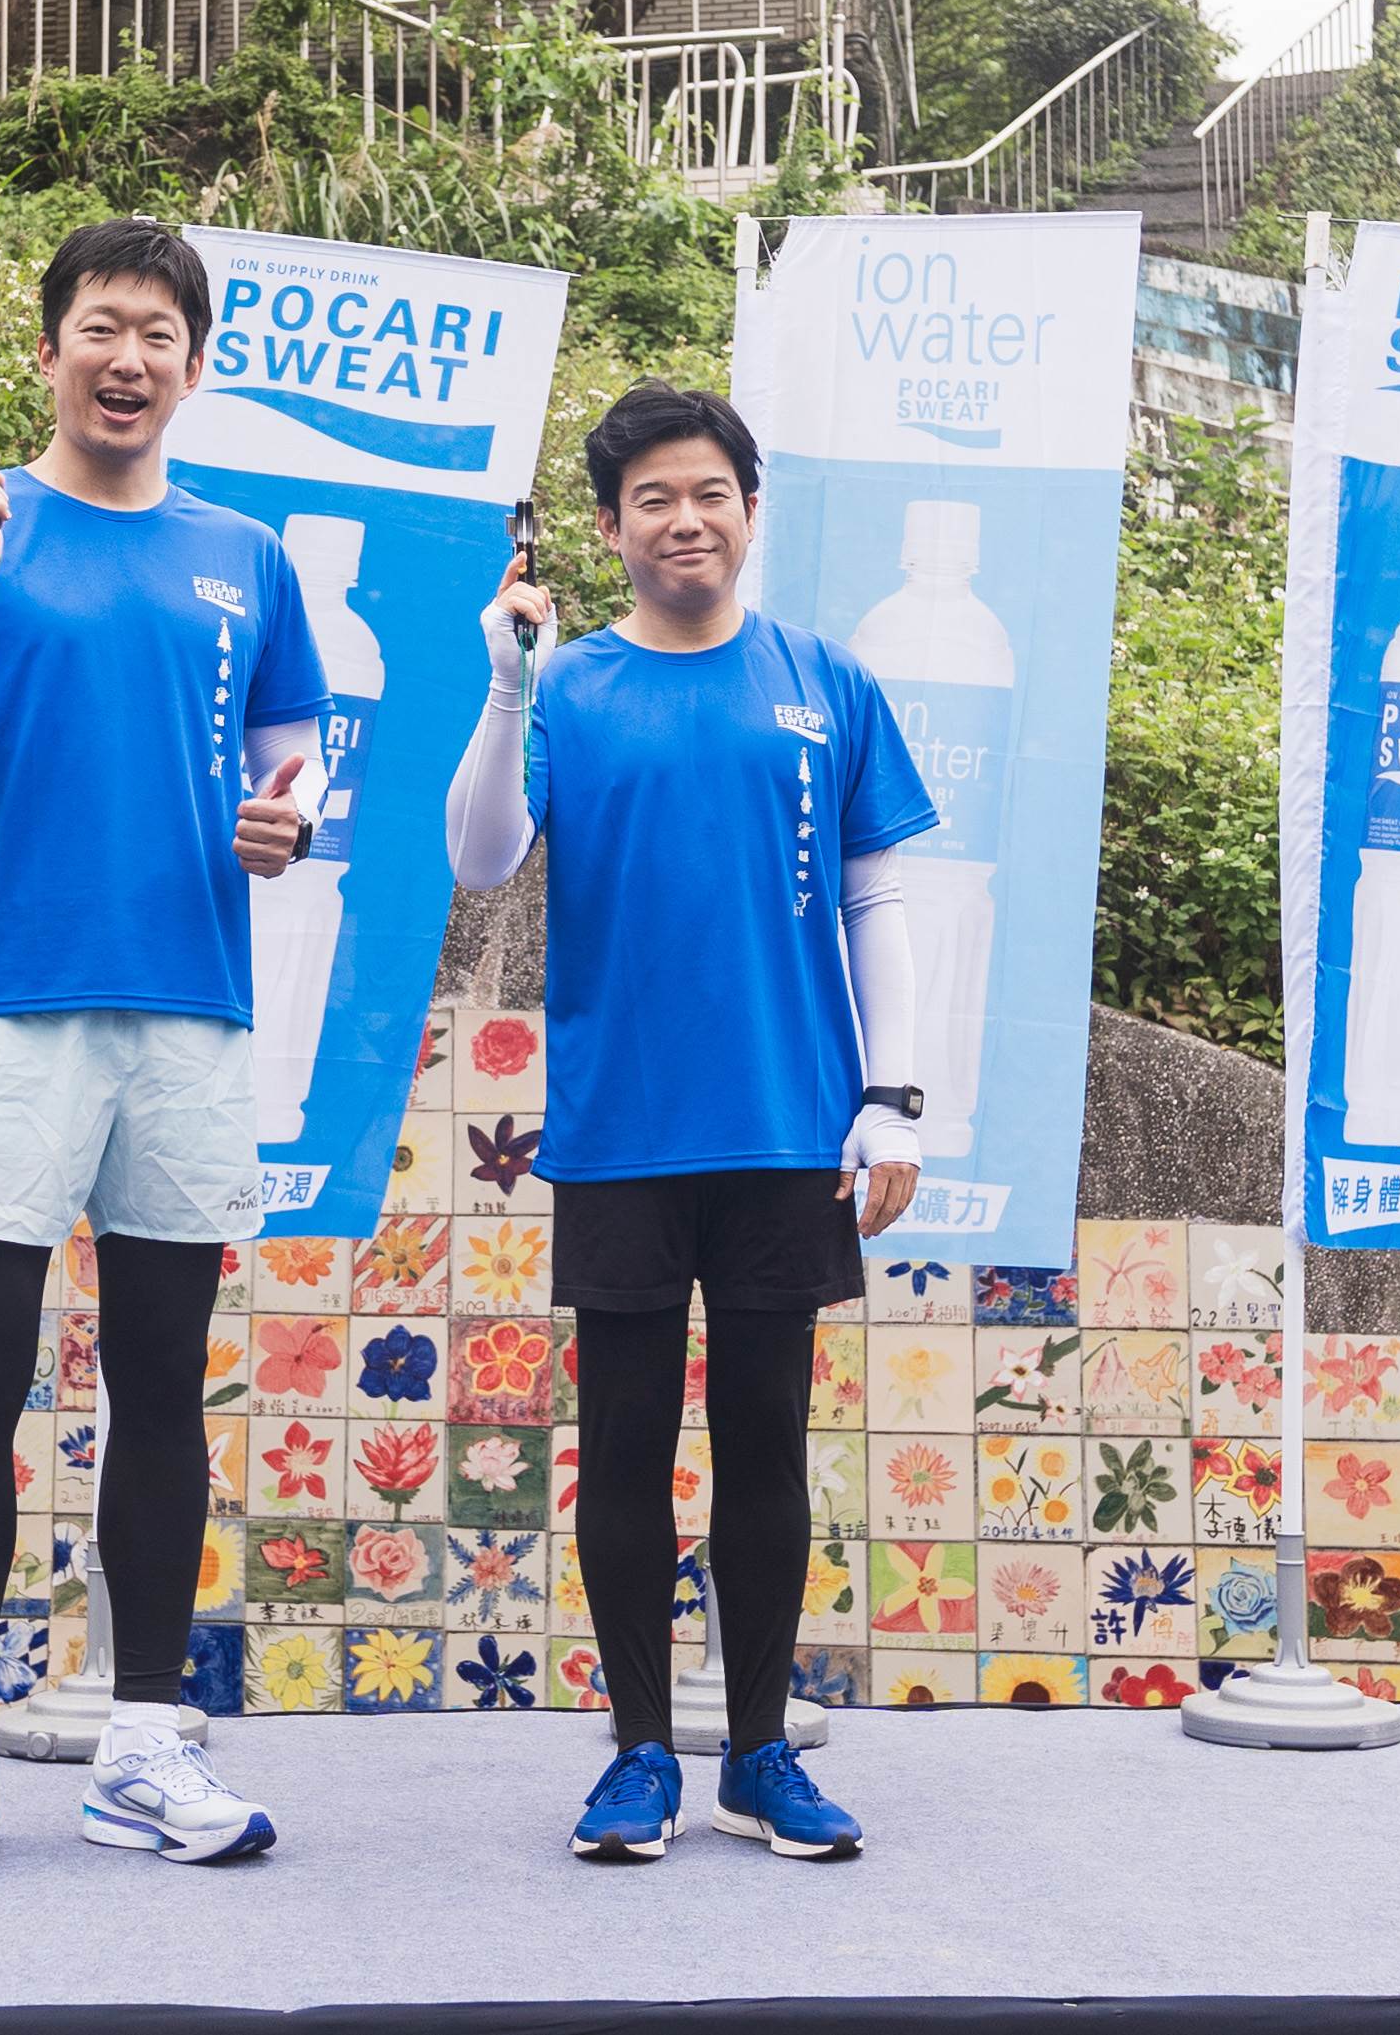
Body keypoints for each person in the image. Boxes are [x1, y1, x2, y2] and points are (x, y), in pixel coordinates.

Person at [0, 217, 328, 1874]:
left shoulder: (241, 555)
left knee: (161, 1389)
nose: (131, 357)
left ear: (196, 365)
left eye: (162, 333)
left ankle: (140, 1741)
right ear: (50, 347)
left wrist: (291, 815)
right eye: (102, 326)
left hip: (188, 1009)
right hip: (0, 1000)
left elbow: (290, 750)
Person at [446, 379, 933, 1864]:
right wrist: (508, 685)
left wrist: (893, 1095)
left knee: (766, 1446)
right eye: (650, 496)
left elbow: (876, 894)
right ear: (609, 527)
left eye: (707, 491)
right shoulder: (571, 687)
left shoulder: (824, 681)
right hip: (619, 1131)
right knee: (625, 1446)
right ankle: (639, 1752)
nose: (683, 517)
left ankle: (762, 1749)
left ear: (745, 508)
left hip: (790, 1129)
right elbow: (480, 860)